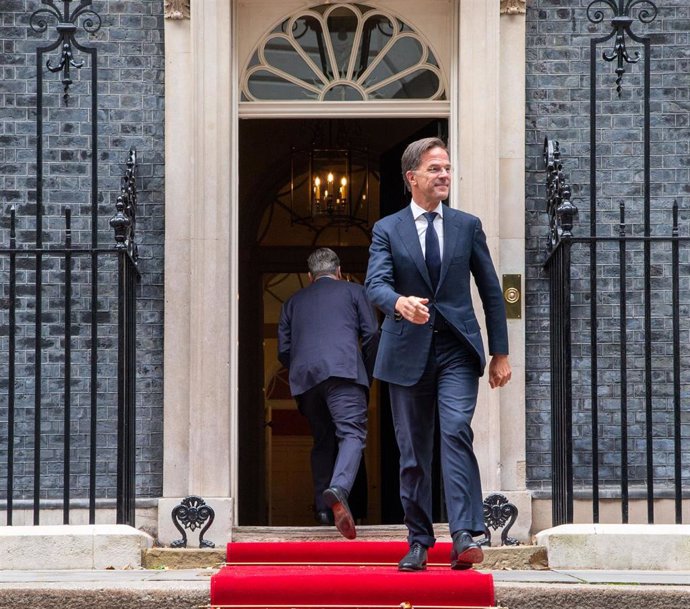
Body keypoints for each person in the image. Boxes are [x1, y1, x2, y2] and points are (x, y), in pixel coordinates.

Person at [364, 137, 511, 571]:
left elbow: (491, 291)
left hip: (456, 350)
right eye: (434, 169)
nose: (444, 175)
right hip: (407, 350)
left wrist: (499, 353)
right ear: (412, 178)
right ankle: (418, 540)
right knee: (412, 452)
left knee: (454, 432)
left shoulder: (467, 225)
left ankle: (465, 533)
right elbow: (375, 283)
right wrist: (398, 303)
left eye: (446, 168)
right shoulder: (387, 229)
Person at [278, 248, 379, 539]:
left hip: (306, 381)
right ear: (338, 271)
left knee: (322, 439)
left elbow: (284, 350)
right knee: (351, 434)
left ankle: (323, 511)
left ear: (309, 277)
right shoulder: (355, 292)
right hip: (344, 372)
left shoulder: (292, 302)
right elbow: (372, 333)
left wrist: (302, 368)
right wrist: (366, 371)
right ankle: (339, 489)